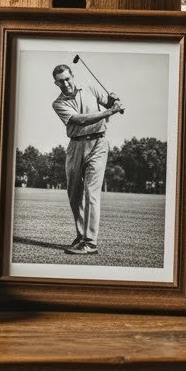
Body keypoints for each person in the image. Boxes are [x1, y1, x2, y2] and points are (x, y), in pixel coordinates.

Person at [51, 62, 123, 254]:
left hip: (99, 144)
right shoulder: (58, 103)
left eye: (67, 79)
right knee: (74, 194)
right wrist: (109, 111)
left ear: (72, 76)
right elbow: (80, 120)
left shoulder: (90, 88)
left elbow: (109, 102)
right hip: (75, 146)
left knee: (92, 193)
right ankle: (81, 235)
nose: (65, 84)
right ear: (56, 84)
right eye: (60, 82)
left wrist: (113, 100)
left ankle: (90, 243)